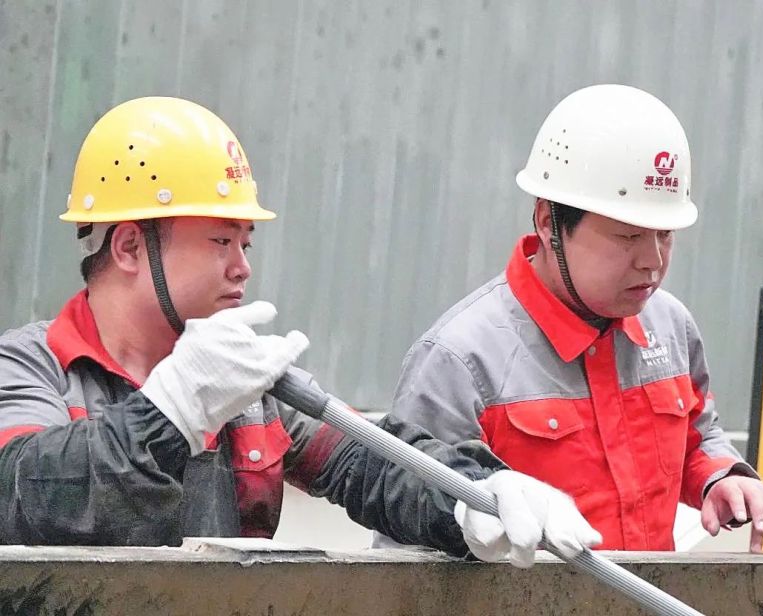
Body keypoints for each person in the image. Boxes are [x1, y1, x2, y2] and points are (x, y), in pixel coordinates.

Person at [0, 96, 599, 566]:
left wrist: (472, 497)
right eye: (220, 240)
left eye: (246, 243)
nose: (242, 267)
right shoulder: (29, 369)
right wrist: (168, 413)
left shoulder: (243, 387)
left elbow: (370, 461)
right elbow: (19, 492)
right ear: (131, 246)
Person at [384, 84, 763, 552]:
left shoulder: (671, 327)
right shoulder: (459, 361)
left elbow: (697, 437)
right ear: (547, 222)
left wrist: (720, 478)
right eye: (628, 236)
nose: (652, 261)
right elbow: (409, 532)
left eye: (665, 234)